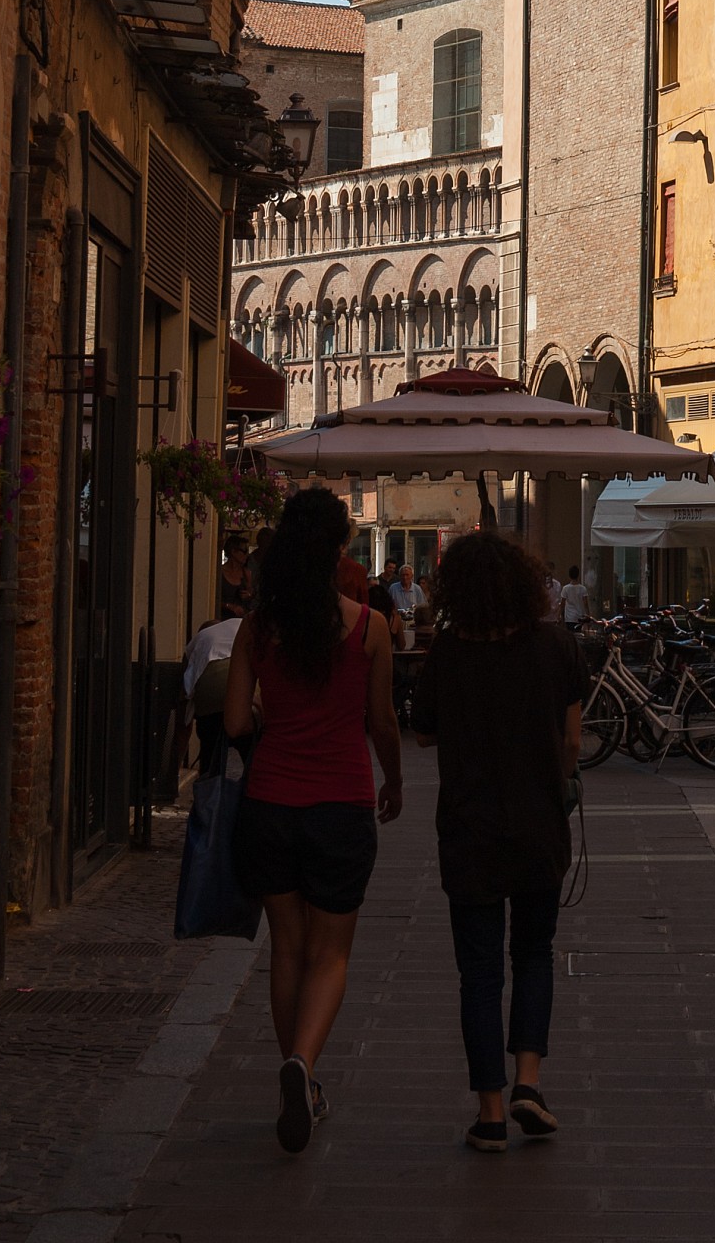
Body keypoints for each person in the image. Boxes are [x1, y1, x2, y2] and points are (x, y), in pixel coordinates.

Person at [224, 487, 402, 1156]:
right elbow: (381, 724)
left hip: (270, 804)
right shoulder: (369, 628)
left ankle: (299, 1075)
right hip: (341, 804)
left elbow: (238, 722)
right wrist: (396, 779)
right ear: (338, 550)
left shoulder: (258, 626)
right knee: (331, 953)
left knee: (287, 949)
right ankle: (302, 1064)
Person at [412, 530, 583, 1154]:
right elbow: (572, 741)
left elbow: (424, 733)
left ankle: (488, 1112)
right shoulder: (557, 646)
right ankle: (528, 1083)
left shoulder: (449, 653)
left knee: (479, 973)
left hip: (468, 828)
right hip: (539, 823)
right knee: (534, 952)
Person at [182, 613, 240, 766]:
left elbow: (185, 691)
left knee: (210, 747)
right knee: (245, 745)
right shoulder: (239, 625)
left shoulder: (199, 639)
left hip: (210, 698)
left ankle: (209, 780)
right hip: (243, 694)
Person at [219, 532, 253, 619]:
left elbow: (251, 598)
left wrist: (249, 595)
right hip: (223, 620)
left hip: (240, 621)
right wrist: (229, 606)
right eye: (244, 551)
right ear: (233, 551)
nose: (247, 555)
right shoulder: (220, 573)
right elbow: (211, 600)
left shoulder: (246, 573)